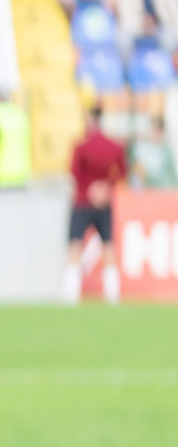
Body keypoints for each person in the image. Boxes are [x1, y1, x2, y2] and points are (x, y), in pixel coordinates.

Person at [66, 104, 128, 303]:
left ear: (91, 121)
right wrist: (106, 187)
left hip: (83, 201)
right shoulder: (115, 146)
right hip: (104, 204)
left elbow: (75, 173)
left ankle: (70, 293)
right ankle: (112, 294)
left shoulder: (81, 146)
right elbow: (123, 172)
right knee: (108, 245)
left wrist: (91, 188)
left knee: (75, 244)